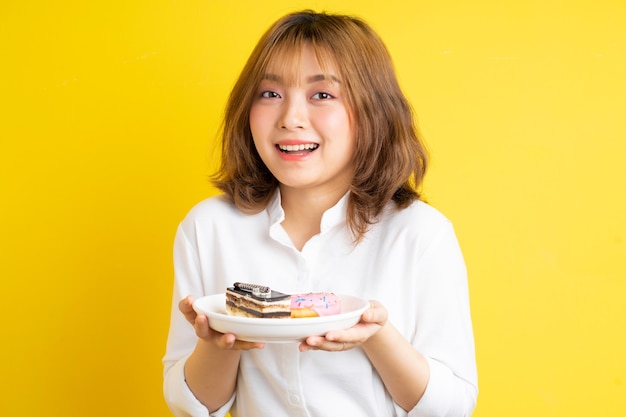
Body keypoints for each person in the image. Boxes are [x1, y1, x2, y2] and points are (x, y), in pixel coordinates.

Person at [163, 10, 477, 417]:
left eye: (322, 94)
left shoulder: (420, 233)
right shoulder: (207, 229)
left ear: (373, 111)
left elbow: (451, 408)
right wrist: (217, 340)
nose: (290, 118)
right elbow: (190, 405)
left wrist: (375, 335)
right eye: (270, 93)